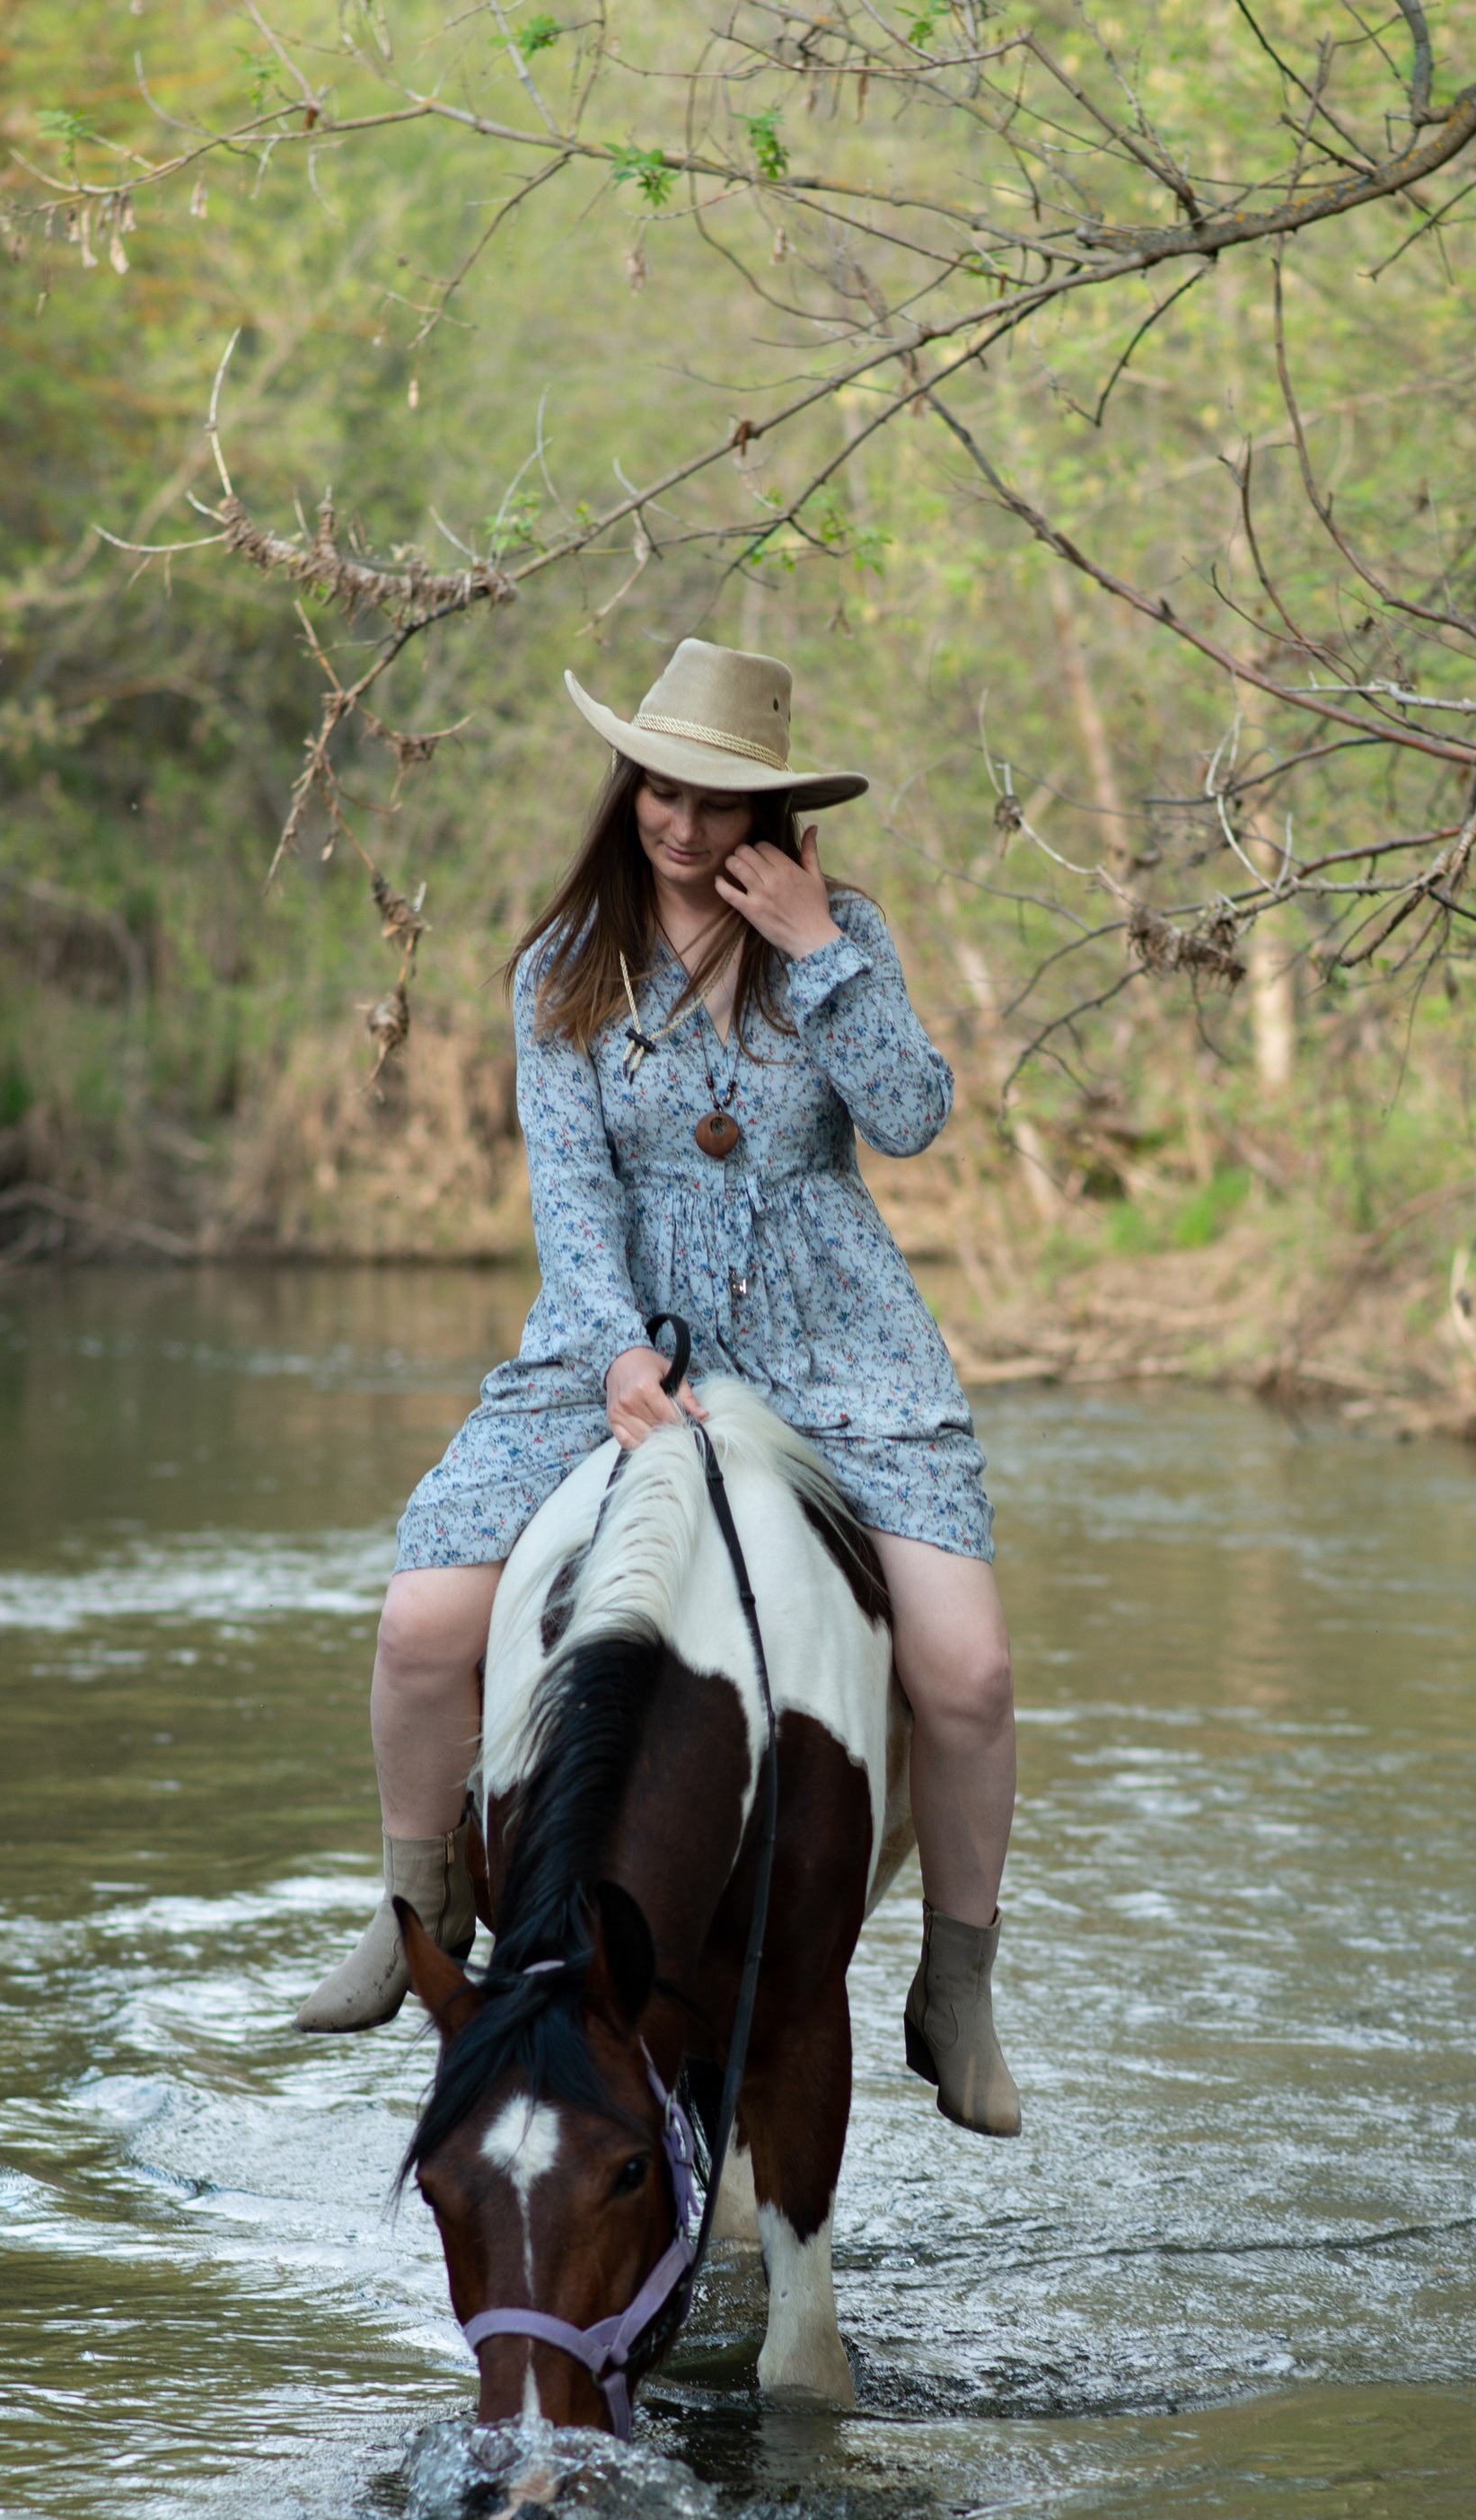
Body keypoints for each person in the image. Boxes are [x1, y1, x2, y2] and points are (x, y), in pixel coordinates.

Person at [296, 637, 1020, 2135]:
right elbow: (570, 1195)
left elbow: (914, 1118)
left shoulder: (842, 931)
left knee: (970, 1672)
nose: (681, 827)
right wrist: (619, 1344)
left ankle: (956, 1984)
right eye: (657, 790)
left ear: (766, 807)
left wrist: (819, 951)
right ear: (627, 784)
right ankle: (413, 1906)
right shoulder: (563, 967)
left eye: (714, 799)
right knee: (424, 1615)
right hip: (617, 1332)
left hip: (835, 1339)